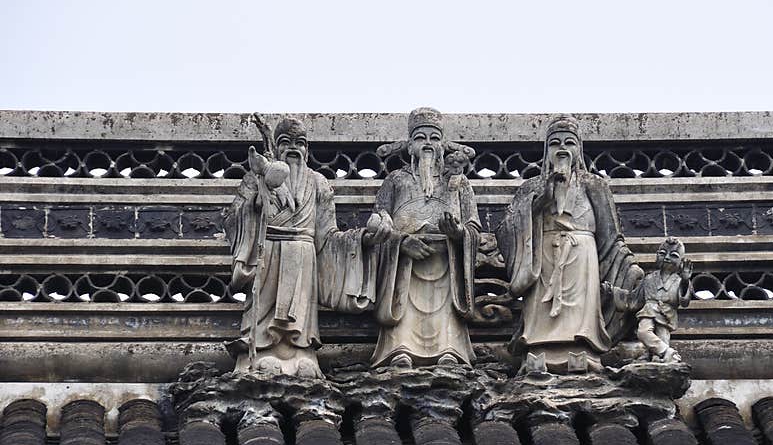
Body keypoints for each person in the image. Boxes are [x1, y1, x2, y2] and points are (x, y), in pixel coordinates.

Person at [223, 117, 390, 377]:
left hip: (304, 253)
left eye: (300, 143)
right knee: (266, 310)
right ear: (275, 148)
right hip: (269, 253)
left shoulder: (318, 183)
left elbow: (328, 237)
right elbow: (234, 219)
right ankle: (262, 351)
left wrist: (365, 239)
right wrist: (258, 200)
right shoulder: (255, 178)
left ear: (307, 150)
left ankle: (301, 353)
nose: (293, 148)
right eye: (285, 142)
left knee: (300, 314)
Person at [495, 115, 642, 373]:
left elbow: (609, 235)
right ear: (546, 150)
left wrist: (627, 272)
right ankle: (537, 351)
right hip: (543, 253)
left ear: (578, 150)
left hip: (581, 254)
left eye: (569, 142)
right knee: (542, 306)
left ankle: (582, 351)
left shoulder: (594, 184)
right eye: (554, 143)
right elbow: (507, 228)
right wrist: (539, 202)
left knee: (578, 310)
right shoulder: (532, 186)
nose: (562, 148)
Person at [370, 107, 481, 367]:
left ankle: (450, 349)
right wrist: (401, 242)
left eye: (434, 138)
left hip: (445, 261)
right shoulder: (395, 180)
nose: (428, 144)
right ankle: (399, 348)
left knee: (444, 306)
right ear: (410, 146)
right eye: (421, 138)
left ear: (442, 145)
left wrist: (458, 233)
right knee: (405, 305)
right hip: (406, 264)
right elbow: (377, 224)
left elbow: (474, 228)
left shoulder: (458, 182)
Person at [605, 237, 692, 363]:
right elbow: (634, 299)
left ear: (681, 261)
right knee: (643, 332)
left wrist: (685, 280)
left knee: (662, 338)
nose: (667, 258)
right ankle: (667, 352)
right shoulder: (649, 278)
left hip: (666, 314)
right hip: (649, 311)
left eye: (673, 255)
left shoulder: (679, 281)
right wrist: (612, 292)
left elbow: (684, 302)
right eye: (662, 254)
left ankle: (656, 357)